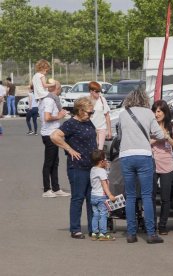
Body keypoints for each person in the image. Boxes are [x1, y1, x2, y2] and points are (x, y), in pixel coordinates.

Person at [118, 87, 166, 244]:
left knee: (130, 196)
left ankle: (131, 234)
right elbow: (159, 134)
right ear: (144, 99)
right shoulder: (148, 113)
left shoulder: (123, 114)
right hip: (143, 155)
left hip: (126, 155)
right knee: (146, 195)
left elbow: (120, 136)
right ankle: (151, 234)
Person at [51, 97, 97, 239]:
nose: (91, 115)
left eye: (92, 112)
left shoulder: (88, 122)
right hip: (77, 167)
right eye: (89, 112)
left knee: (92, 199)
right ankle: (75, 229)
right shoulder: (71, 124)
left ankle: (93, 228)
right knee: (78, 197)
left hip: (92, 166)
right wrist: (69, 149)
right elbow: (54, 136)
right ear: (80, 110)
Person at [151, 100, 173, 235]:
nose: (156, 114)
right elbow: (146, 142)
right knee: (150, 196)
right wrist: (158, 137)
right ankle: (151, 225)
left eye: (159, 111)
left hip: (168, 166)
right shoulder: (150, 126)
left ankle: (162, 225)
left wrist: (167, 137)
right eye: (154, 111)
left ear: (165, 112)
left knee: (165, 198)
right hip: (151, 164)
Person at [39, 81, 70, 198]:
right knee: (49, 162)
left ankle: (56, 188)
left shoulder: (48, 99)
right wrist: (59, 116)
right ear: (56, 88)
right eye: (59, 86)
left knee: (55, 162)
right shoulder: (49, 100)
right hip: (49, 134)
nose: (60, 88)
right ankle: (47, 189)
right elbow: (47, 117)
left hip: (53, 133)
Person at [90, 149, 116, 241]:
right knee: (103, 214)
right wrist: (110, 195)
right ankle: (103, 233)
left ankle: (94, 233)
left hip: (93, 195)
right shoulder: (102, 172)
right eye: (105, 160)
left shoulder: (93, 169)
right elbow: (104, 184)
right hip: (101, 196)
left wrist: (105, 168)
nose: (107, 161)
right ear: (101, 161)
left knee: (95, 214)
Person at [89, 81, 112, 150]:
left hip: (102, 128)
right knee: (93, 149)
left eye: (99, 92)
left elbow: (107, 116)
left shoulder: (102, 99)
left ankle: (100, 160)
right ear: (91, 91)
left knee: (100, 149)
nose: (98, 94)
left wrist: (109, 131)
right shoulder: (87, 100)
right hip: (91, 129)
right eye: (96, 92)